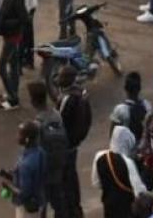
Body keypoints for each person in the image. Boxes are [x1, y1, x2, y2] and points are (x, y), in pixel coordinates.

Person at [56, 65, 92, 215]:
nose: (58, 78)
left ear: (68, 79)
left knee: (65, 179)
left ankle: (71, 210)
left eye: (61, 76)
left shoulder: (68, 98)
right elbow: (88, 118)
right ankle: (75, 208)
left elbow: (58, 121)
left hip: (67, 144)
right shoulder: (81, 93)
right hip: (75, 142)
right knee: (71, 176)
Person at [27, 81, 67, 215]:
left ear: (33, 101)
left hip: (44, 170)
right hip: (58, 165)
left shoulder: (37, 124)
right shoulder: (56, 114)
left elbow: (34, 151)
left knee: (42, 204)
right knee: (58, 202)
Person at [92, 126, 145, 217]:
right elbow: (138, 190)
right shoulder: (127, 162)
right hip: (126, 207)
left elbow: (96, 183)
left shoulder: (99, 156)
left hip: (108, 203)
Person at [0, 0, 29, 110]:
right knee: (14, 65)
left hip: (13, 35)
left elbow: (24, 18)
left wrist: (6, 23)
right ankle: (12, 92)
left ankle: (13, 98)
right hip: (9, 34)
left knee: (1, 66)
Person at [7, 122, 47, 216]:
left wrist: (9, 187)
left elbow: (24, 193)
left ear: (27, 139)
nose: (17, 137)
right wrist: (15, 174)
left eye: (20, 134)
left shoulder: (25, 165)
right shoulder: (40, 152)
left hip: (26, 207)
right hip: (39, 200)